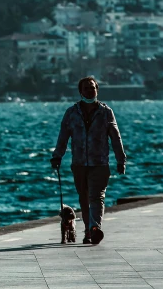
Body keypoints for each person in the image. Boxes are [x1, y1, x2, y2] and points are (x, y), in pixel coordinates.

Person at [50, 77, 126, 245]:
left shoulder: (106, 112)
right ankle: (88, 230)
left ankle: (94, 228)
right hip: (79, 164)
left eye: (93, 88)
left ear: (97, 90)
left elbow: (115, 137)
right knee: (84, 198)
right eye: (86, 88)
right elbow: (63, 137)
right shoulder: (71, 113)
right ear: (80, 92)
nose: (90, 91)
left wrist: (121, 160)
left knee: (96, 196)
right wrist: (57, 156)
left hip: (100, 163)